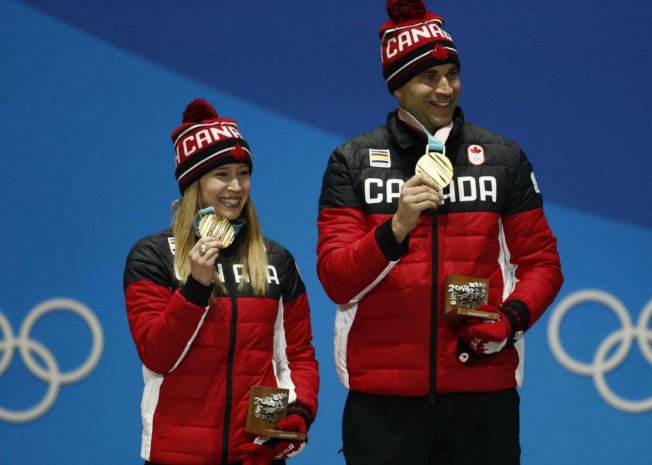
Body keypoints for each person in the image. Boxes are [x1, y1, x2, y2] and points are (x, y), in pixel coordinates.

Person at [316, 1, 563, 464]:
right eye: (429, 77)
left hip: (483, 398)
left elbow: (543, 264)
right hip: (384, 405)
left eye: (452, 73)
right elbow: (335, 278)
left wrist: (509, 320)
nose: (445, 88)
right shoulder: (352, 161)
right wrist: (395, 229)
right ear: (398, 85)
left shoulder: (503, 158)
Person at [124, 99, 319, 465]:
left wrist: (298, 412)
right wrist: (195, 289)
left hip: (258, 455)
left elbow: (296, 354)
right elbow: (156, 356)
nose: (236, 186)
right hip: (177, 455)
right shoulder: (151, 256)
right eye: (222, 174)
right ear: (195, 183)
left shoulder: (275, 258)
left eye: (243, 173)